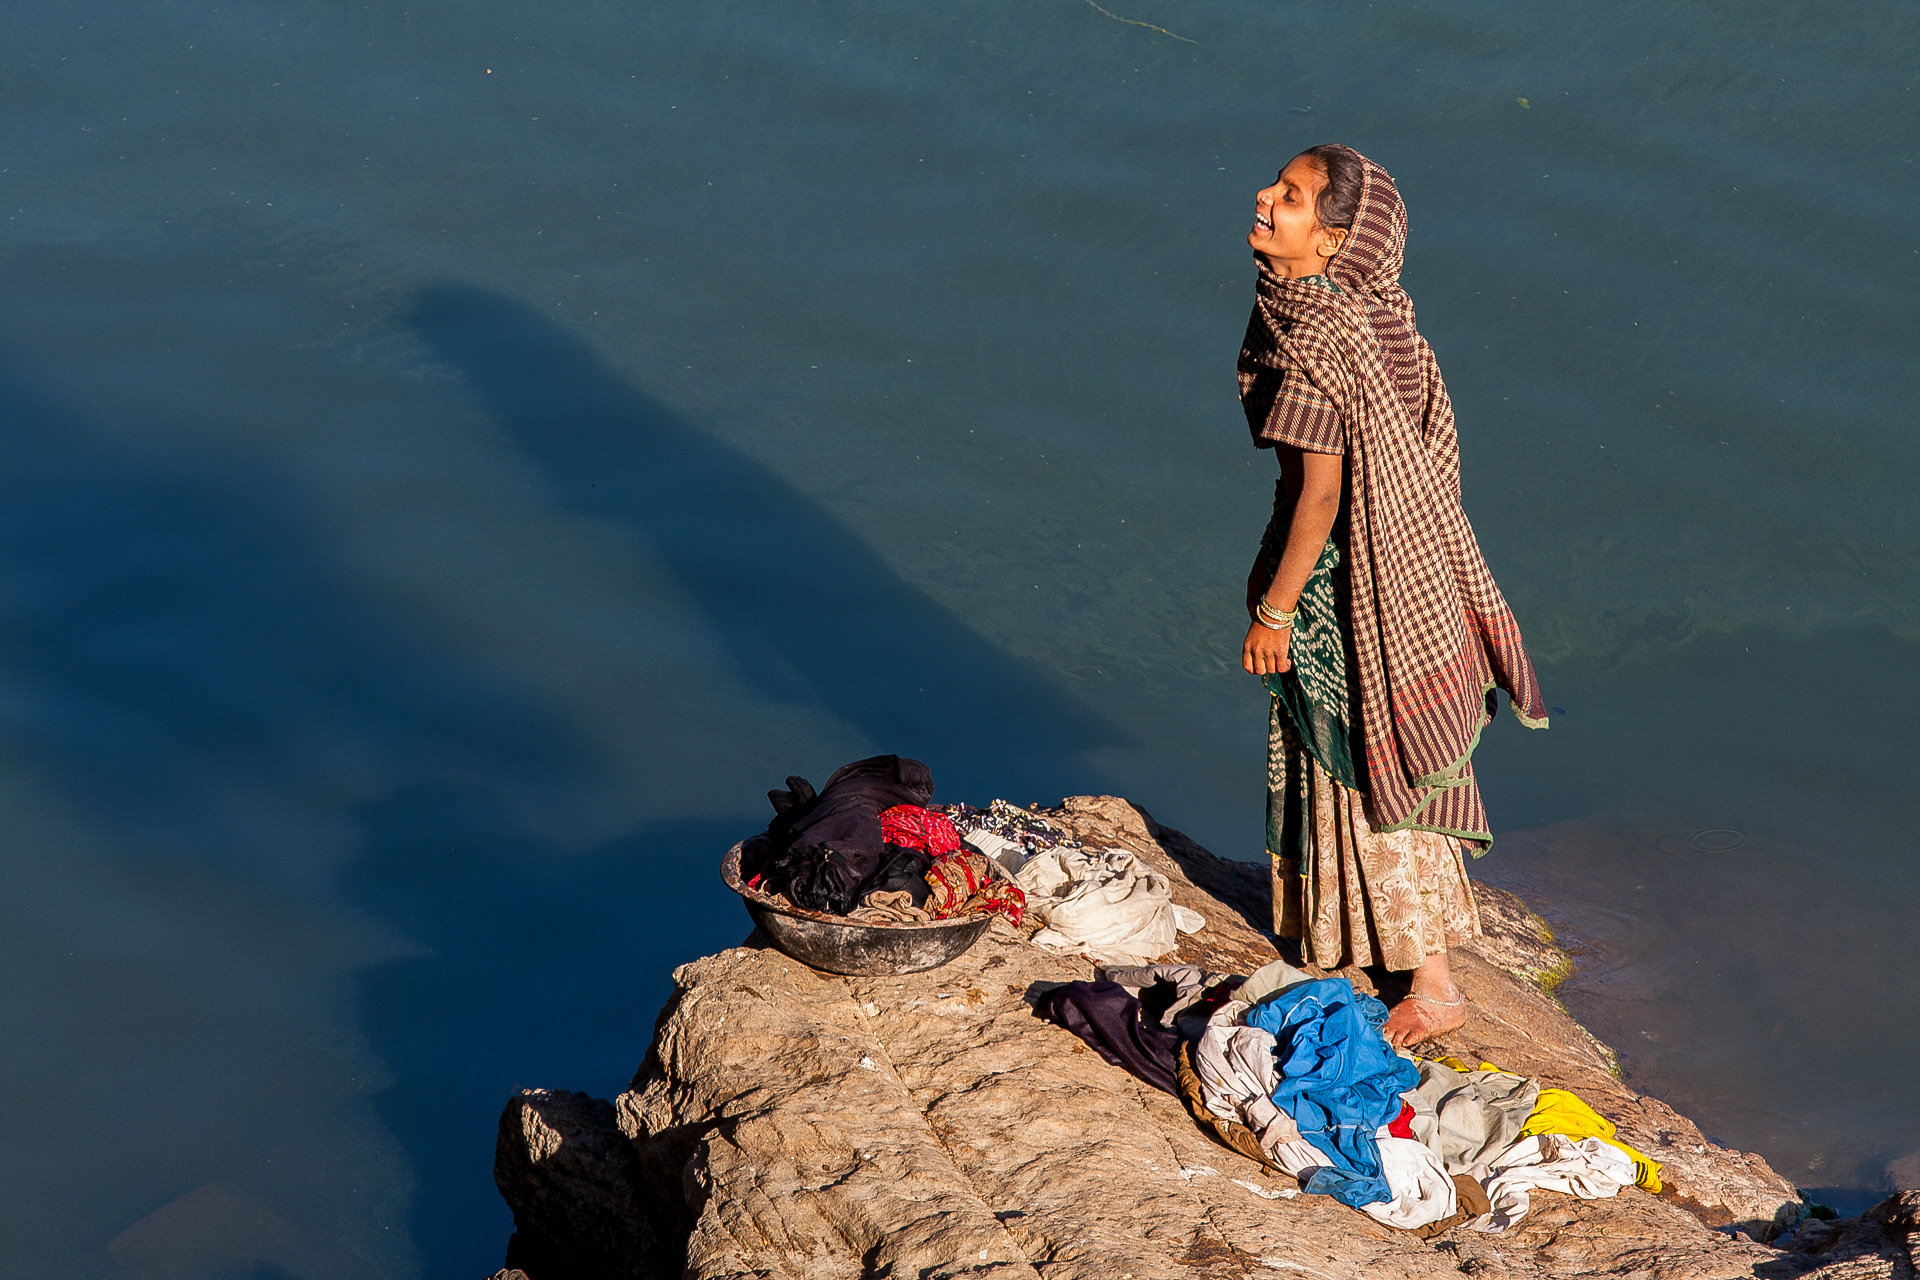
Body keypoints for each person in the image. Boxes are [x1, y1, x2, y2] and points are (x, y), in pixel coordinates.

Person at [1234, 145, 1549, 1048]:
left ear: (1333, 241)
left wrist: (1276, 609)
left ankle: (1435, 982)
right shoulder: (1378, 317)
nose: (1265, 196)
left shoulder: (1318, 341)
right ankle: (1352, 934)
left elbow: (1321, 494)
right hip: (1399, 561)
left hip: (1347, 581)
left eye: (1289, 197)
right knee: (1371, 759)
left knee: (1361, 763)